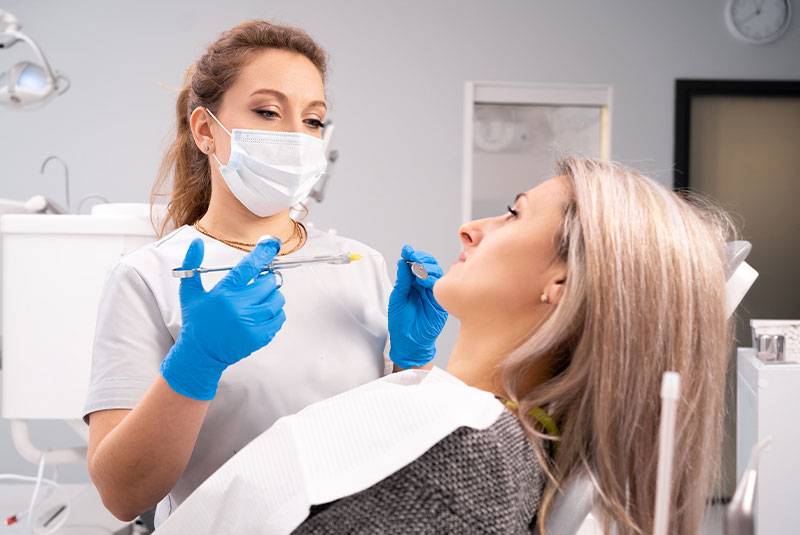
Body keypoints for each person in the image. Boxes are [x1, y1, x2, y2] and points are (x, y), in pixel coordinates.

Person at [153, 155, 734, 535]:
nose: (471, 228)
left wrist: (198, 360)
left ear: (564, 283)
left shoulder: (466, 464)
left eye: (513, 215)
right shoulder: (480, 432)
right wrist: (410, 370)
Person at [83, 20, 447, 526]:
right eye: (268, 111)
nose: (297, 135)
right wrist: (196, 363)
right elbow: (122, 495)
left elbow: (401, 450)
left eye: (314, 120)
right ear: (206, 130)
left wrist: (413, 367)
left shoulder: (361, 264)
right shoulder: (149, 277)